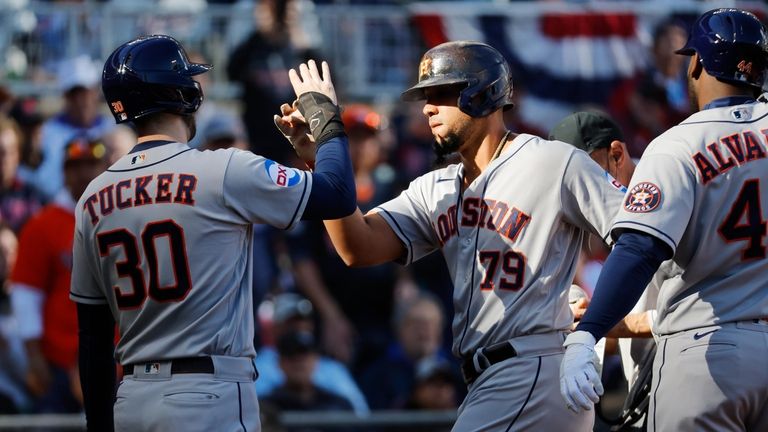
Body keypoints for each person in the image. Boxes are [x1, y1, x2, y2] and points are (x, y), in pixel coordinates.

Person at [275, 40, 626, 431]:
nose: (427, 107)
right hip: (488, 377)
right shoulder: (436, 187)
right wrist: (324, 155)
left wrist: (593, 326)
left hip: (533, 367)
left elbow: (640, 237)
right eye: (426, 96)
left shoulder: (552, 161)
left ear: (482, 93)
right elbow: (357, 246)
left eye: (441, 94)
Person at [69, 35, 355, 432]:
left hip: (131, 399)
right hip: (207, 393)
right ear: (183, 94)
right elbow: (338, 196)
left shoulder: (91, 198)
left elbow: (93, 338)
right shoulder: (224, 170)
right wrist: (325, 119)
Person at [559, 9, 768, 432]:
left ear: (696, 63)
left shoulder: (678, 144)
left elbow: (638, 249)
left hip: (709, 351)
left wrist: (589, 332)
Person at [10, 136, 108, 413]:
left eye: (92, 164)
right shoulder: (43, 223)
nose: (85, 173)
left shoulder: (121, 216)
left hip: (115, 360)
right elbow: (26, 293)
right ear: (64, 171)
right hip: (58, 361)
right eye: (76, 166)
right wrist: (34, 355)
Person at [254, 293, 369, 415]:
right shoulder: (257, 366)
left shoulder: (333, 369)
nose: (299, 327)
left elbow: (360, 414)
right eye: (291, 322)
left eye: (304, 321)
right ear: (275, 327)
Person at [260, 330, 355, 432]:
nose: (299, 362)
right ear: (279, 362)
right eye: (291, 355)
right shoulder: (266, 405)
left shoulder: (339, 404)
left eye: (304, 354)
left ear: (316, 360)